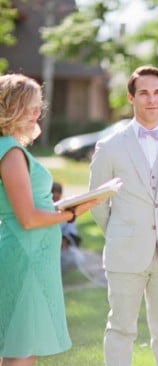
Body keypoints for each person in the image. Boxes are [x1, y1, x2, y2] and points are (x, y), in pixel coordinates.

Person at [89, 65, 158, 366]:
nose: (152, 99)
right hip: (125, 252)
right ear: (131, 98)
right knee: (121, 329)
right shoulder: (110, 147)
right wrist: (121, 231)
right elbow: (97, 201)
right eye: (144, 93)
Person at [0, 74, 99, 366]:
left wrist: (61, 209)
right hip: (25, 255)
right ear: (13, 106)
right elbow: (28, 218)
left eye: (37, 106)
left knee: (19, 347)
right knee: (21, 350)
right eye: (30, 106)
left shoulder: (10, 148)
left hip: (29, 254)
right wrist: (70, 213)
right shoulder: (11, 152)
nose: (36, 113)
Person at [52, 182, 83, 272]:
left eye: (57, 197)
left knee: (77, 257)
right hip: (50, 244)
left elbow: (71, 230)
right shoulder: (44, 210)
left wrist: (65, 240)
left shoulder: (66, 209)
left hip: (63, 246)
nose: (55, 199)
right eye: (53, 197)